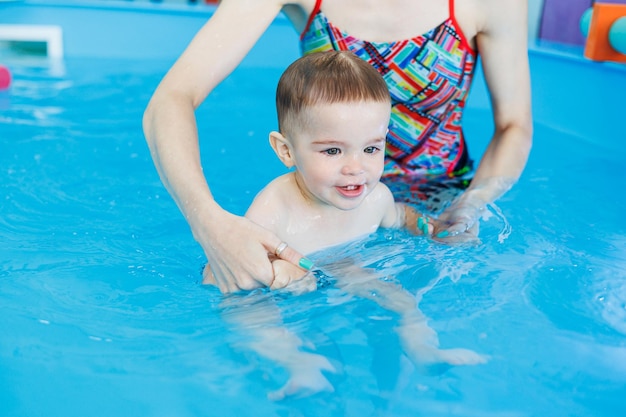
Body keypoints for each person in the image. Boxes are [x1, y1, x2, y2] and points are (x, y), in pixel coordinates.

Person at [143, 0, 533, 293]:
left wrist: (472, 203)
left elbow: (514, 126)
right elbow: (170, 99)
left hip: (440, 200)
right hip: (315, 199)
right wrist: (209, 222)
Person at [207, 50, 486, 400]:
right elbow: (226, 264)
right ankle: (298, 365)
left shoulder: (376, 198)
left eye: (371, 149)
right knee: (247, 313)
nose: (356, 167)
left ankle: (425, 350)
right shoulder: (275, 206)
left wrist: (436, 230)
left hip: (349, 268)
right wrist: (277, 273)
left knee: (402, 301)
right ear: (286, 151)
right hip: (290, 292)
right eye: (333, 151)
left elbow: (400, 216)